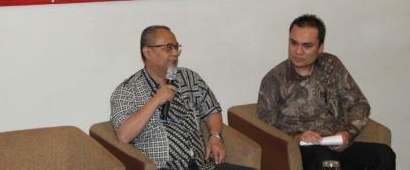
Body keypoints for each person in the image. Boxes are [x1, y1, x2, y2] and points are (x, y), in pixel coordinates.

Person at [257, 14, 396, 170]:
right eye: (293, 43)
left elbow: (360, 104)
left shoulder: (331, 66)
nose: (298, 51)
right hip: (302, 150)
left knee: (384, 154)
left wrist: (348, 134)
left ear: (320, 48)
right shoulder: (274, 80)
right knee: (325, 160)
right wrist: (297, 137)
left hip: (336, 145)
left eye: (307, 46)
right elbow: (265, 129)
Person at [111, 25, 251, 170]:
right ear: (147, 52)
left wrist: (214, 136)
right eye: (168, 48)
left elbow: (212, 109)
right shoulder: (128, 90)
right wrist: (156, 100)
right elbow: (123, 136)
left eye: (176, 47)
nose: (175, 53)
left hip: (202, 165)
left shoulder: (189, 77)